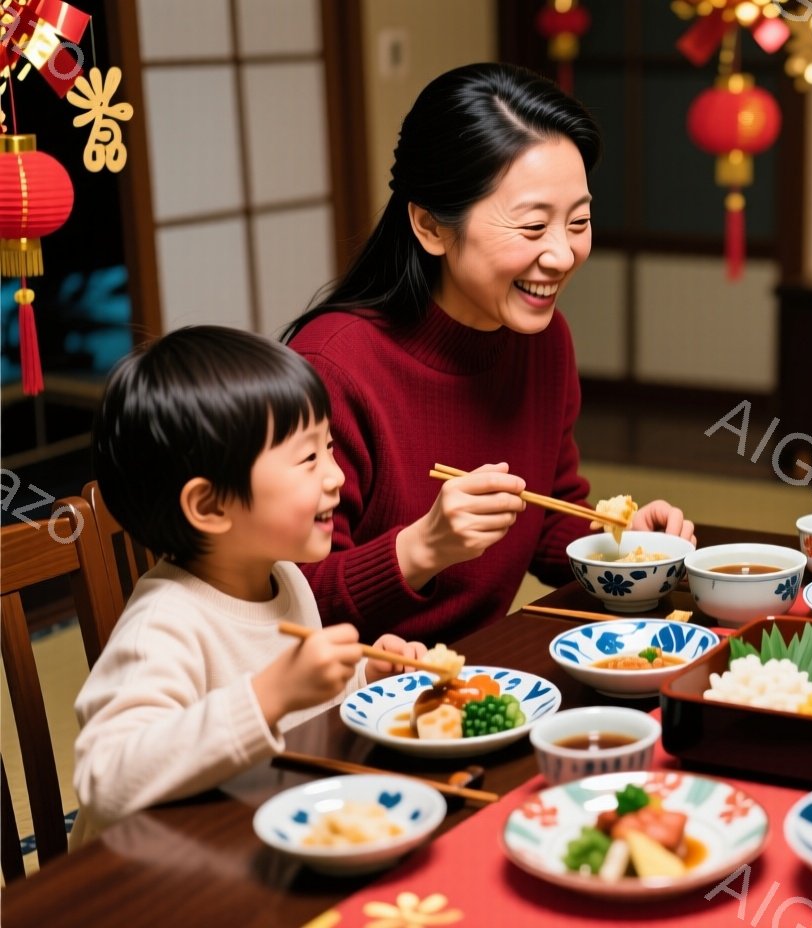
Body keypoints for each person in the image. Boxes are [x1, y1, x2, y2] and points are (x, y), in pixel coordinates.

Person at [283, 63, 694, 642]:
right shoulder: (332, 369)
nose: (562, 254)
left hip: (485, 678)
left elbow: (547, 519)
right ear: (430, 226)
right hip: (356, 694)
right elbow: (289, 603)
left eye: (579, 221)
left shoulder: (544, 341)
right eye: (531, 228)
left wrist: (617, 539)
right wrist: (422, 548)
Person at [73, 326, 427, 844]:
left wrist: (364, 677)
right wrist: (270, 694)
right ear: (211, 506)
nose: (335, 477)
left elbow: (297, 713)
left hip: (247, 835)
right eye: (308, 459)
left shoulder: (281, 576)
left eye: (328, 448)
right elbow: (104, 778)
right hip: (146, 881)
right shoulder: (165, 624)